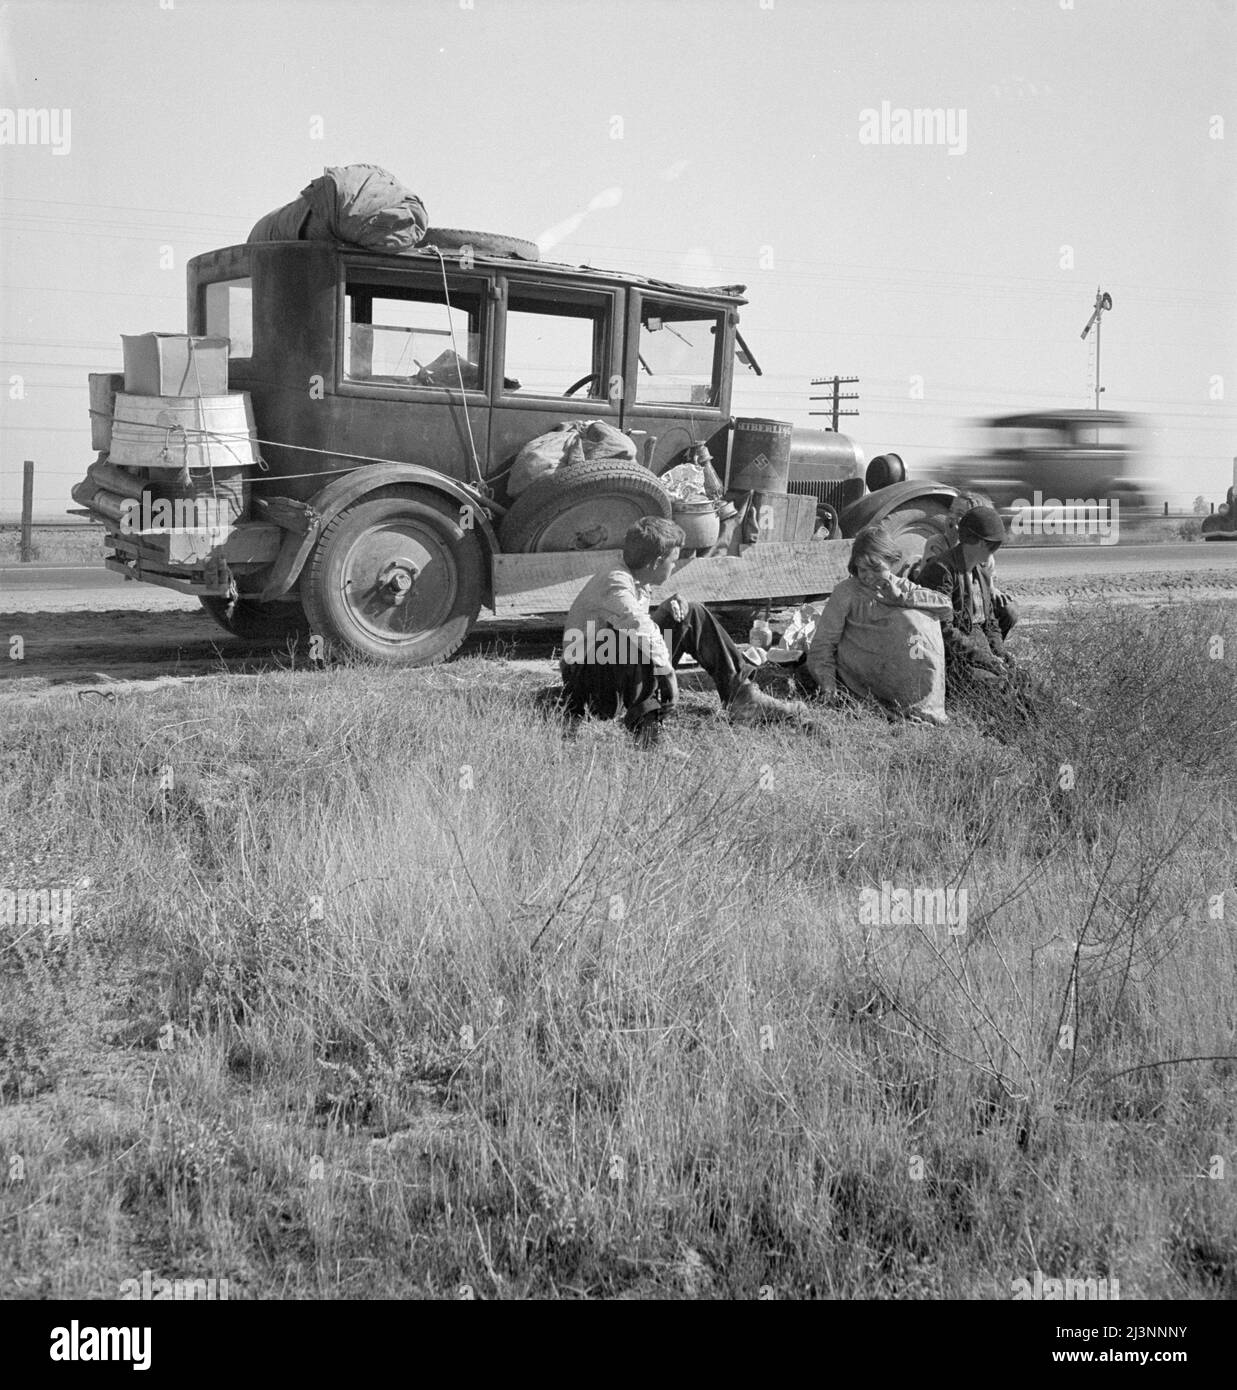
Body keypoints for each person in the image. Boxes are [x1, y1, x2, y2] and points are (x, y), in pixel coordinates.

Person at [558, 517, 805, 746]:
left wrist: (667, 610)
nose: (674, 566)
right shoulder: (616, 580)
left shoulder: (634, 577)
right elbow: (637, 627)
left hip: (609, 669)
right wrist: (667, 673)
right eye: (673, 561)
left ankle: (742, 697)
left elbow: (640, 623)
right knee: (632, 641)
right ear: (655, 562)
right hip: (588, 688)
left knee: (690, 613)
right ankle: (647, 734)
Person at [802, 522, 953, 724]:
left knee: (918, 618)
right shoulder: (847, 592)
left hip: (901, 672)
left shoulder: (900, 585)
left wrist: (901, 598)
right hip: (862, 676)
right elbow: (823, 644)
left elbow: (945, 606)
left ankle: (921, 705)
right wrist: (827, 685)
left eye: (875, 568)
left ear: (891, 562)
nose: (868, 576)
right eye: (862, 568)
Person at [912, 504, 1033, 722]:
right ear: (978, 542)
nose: (994, 550)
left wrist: (999, 653)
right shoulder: (941, 571)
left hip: (977, 648)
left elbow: (990, 622)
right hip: (953, 658)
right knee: (1001, 693)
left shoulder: (980, 571)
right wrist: (983, 658)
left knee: (1025, 682)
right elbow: (942, 631)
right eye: (992, 545)